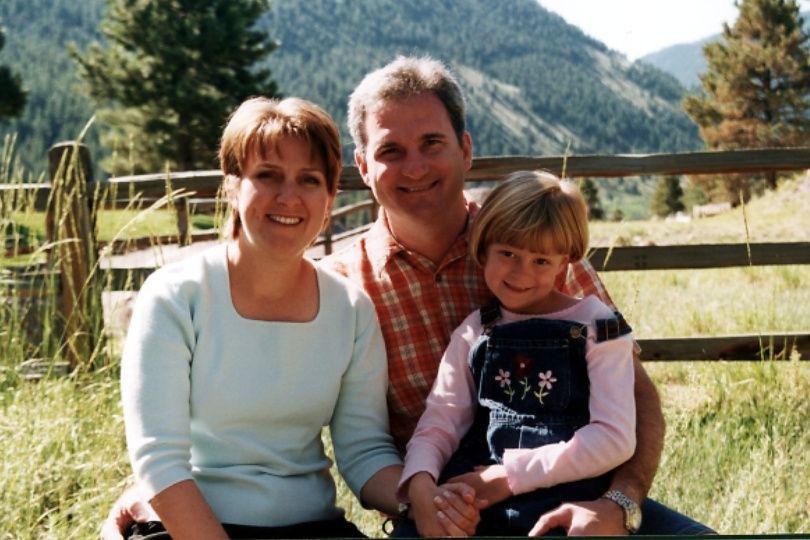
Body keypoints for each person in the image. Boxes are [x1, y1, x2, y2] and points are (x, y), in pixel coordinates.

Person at [105, 56, 714, 537]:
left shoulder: (535, 250)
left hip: (581, 504)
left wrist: (619, 505)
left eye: (432, 143)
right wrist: (422, 495)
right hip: (446, 518)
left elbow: (633, 395)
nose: (415, 166)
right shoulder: (348, 290)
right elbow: (345, 444)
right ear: (365, 169)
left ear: (466, 149)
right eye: (391, 151)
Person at [115, 96, 475, 539]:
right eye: (268, 176)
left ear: (328, 198)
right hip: (191, 528)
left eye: (309, 179)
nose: (289, 196)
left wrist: (423, 500)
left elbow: (363, 451)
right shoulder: (176, 296)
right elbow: (159, 461)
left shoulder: (350, 307)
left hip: (314, 528)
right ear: (232, 186)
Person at [399, 171, 637, 537]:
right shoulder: (474, 329)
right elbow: (440, 421)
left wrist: (510, 476)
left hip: (570, 500)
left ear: (566, 260)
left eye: (540, 260)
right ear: (484, 248)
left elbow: (614, 437)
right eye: (507, 253)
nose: (520, 272)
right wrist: (421, 481)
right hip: (478, 498)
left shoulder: (600, 325)